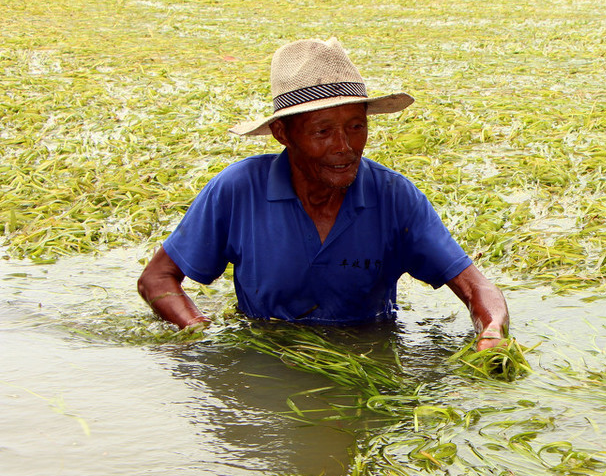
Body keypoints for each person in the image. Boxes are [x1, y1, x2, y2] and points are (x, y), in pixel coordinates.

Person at [138, 37, 509, 349]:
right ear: (283, 134)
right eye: (322, 132)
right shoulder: (238, 191)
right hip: (267, 352)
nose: (345, 146)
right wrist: (198, 330)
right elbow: (156, 278)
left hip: (366, 352)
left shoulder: (394, 198)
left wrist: (492, 332)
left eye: (356, 126)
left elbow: (477, 287)